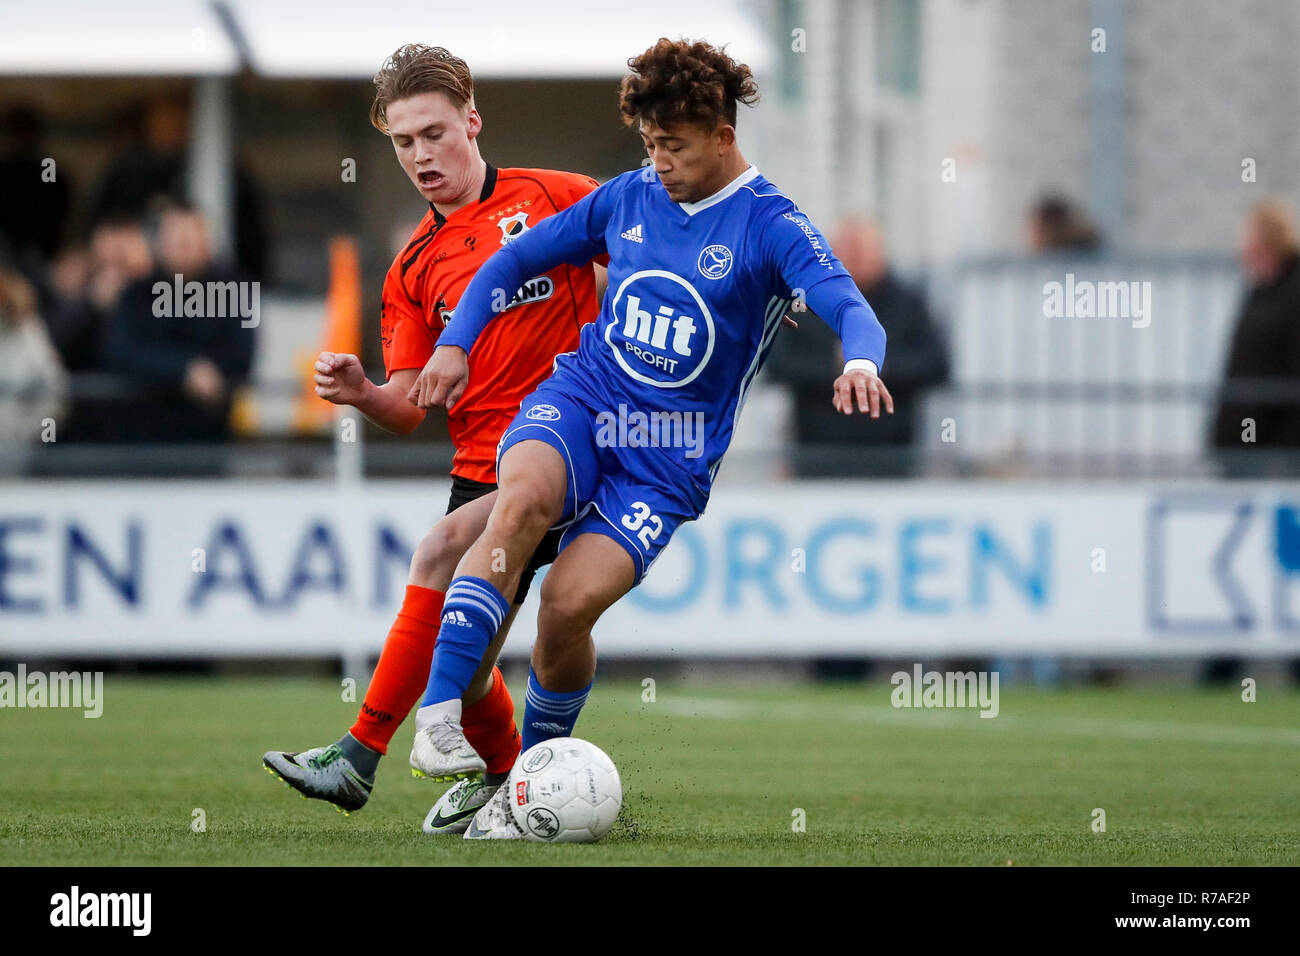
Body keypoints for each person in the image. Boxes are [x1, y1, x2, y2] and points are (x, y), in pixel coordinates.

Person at [405, 38, 894, 839]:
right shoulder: (628, 198)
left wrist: (862, 359)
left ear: (723, 137)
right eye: (649, 145)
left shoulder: (770, 224)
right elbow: (512, 260)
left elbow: (848, 305)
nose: (657, 161)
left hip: (667, 460)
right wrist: (456, 340)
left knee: (566, 608)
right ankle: (438, 717)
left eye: (672, 145)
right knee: (520, 502)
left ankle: (523, 785)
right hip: (585, 399)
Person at [261, 44, 606, 833]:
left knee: (437, 554)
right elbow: (410, 407)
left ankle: (358, 753)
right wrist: (362, 395)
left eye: (434, 133)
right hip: (477, 470)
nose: (420, 155)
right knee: (473, 663)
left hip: (567, 449)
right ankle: (515, 778)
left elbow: (655, 243)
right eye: (403, 142)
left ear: (473, 122)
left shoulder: (555, 196)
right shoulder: (413, 267)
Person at [765, 216, 948, 477]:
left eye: (862, 250)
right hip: (816, 454)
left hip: (892, 454)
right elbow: (778, 362)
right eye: (848, 250)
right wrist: (835, 366)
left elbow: (936, 363)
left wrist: (869, 366)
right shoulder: (804, 302)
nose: (856, 258)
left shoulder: (908, 303)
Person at [102, 202, 255, 445]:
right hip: (142, 437)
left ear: (206, 243)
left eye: (188, 239)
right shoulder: (138, 294)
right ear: (160, 243)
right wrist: (183, 368)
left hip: (208, 436)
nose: (181, 246)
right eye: (174, 237)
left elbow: (241, 355)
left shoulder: (233, 290)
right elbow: (120, 351)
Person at [1210, 199, 1300, 477]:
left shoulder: (1291, 294)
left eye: (1248, 237)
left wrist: (1284, 449)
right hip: (1245, 446)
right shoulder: (1260, 292)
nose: (1241, 248)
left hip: (1277, 451)